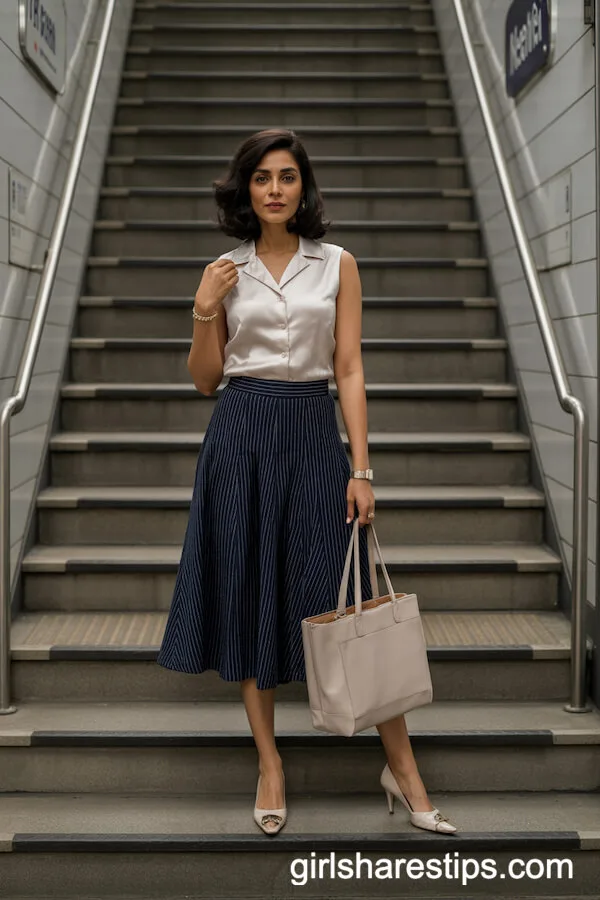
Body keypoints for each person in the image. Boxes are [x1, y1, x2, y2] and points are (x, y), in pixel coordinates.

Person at [157, 129, 457, 837]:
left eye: (287, 177)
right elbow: (205, 381)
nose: (274, 189)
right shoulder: (225, 270)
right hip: (241, 434)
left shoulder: (337, 265)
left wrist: (361, 467)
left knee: (347, 600)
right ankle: (270, 763)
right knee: (251, 590)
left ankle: (403, 767)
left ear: (303, 187)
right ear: (246, 188)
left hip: (313, 435)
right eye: (262, 177)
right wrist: (204, 305)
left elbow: (348, 368)